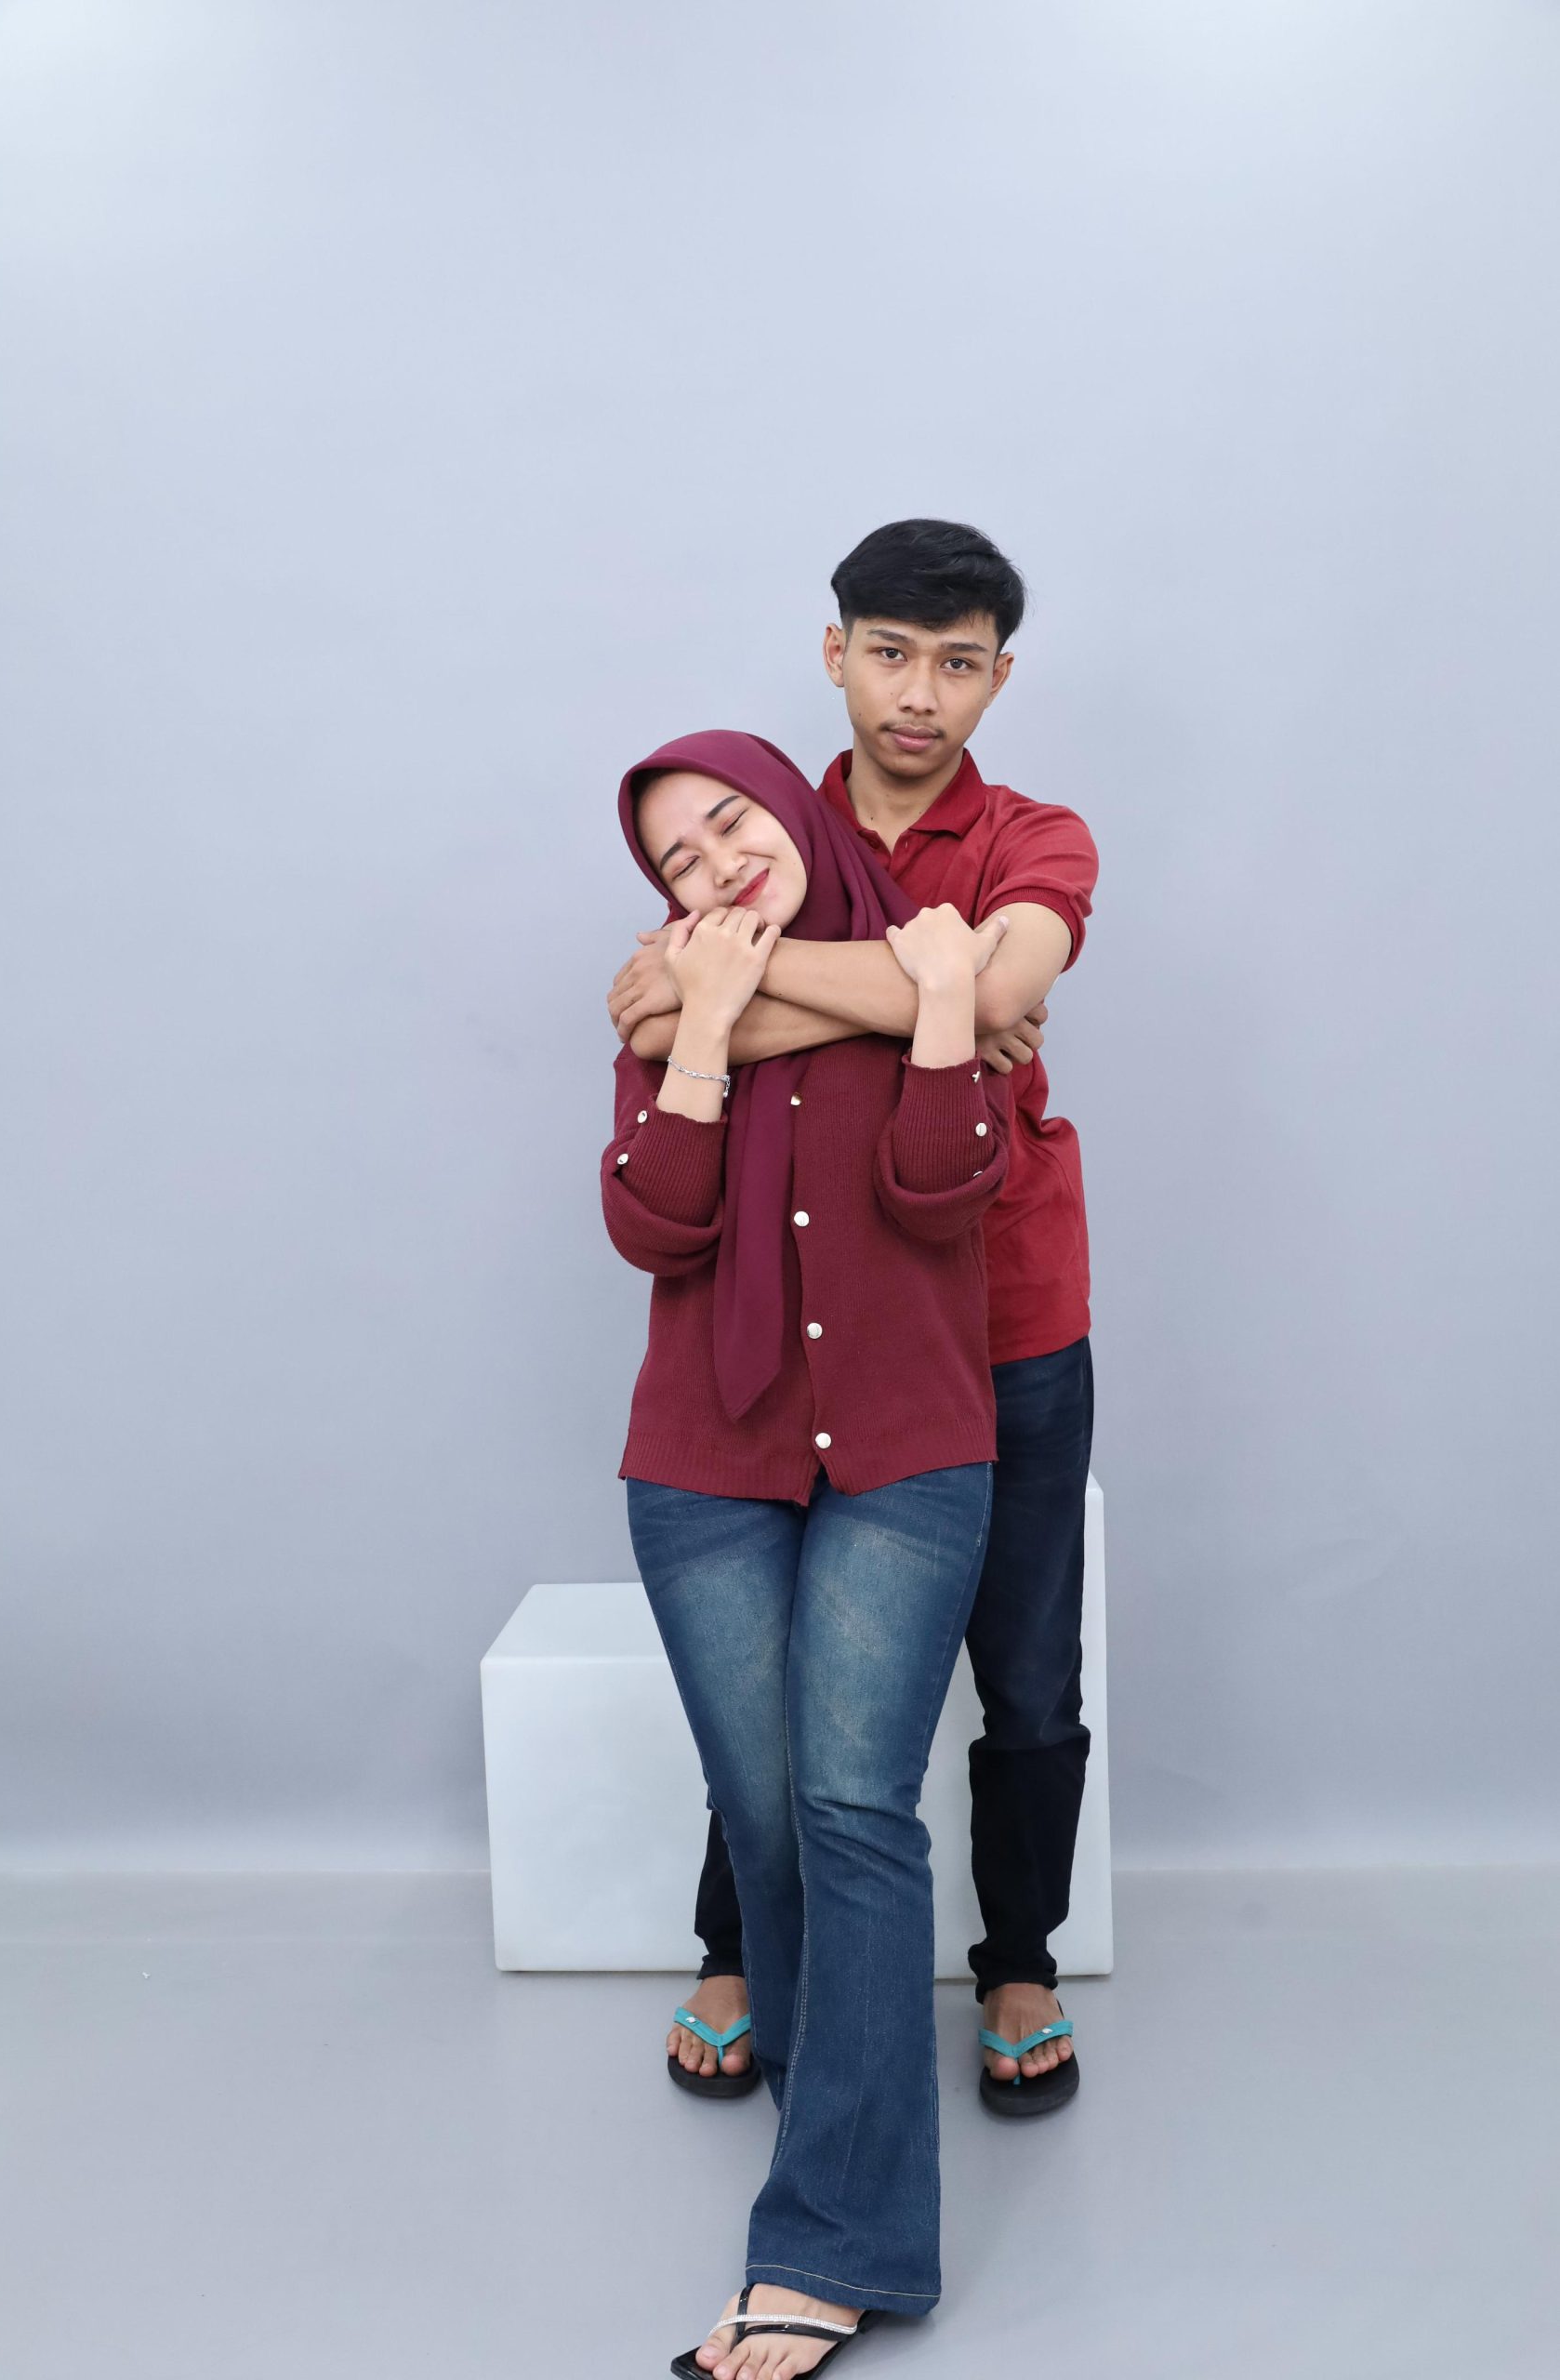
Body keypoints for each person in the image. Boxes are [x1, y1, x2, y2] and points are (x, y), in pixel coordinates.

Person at [609, 521, 1098, 2117]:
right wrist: (925, 991)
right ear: (837, 655)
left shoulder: (1033, 836)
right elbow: (653, 1017)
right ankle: (744, 1946)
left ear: (999, 678)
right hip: (826, 1310)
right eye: (890, 654)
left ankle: (1018, 1959)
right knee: (772, 1670)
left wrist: (740, 986)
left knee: (1026, 1663)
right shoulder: (759, 819)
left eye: (959, 663)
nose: (919, 693)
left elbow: (994, 993)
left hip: (1010, 1298)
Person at [602, 729, 1013, 2376]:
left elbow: (945, 1188)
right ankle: (830, 2093)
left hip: (907, 1451)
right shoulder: (677, 1002)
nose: (716, 871)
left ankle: (830, 2237)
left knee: (853, 1810)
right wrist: (699, 1031)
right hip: (706, 1461)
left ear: (786, 804)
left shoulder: (930, 948)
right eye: (678, 868)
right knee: (766, 1813)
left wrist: (937, 1002)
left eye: (730, 825)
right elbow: (653, 1222)